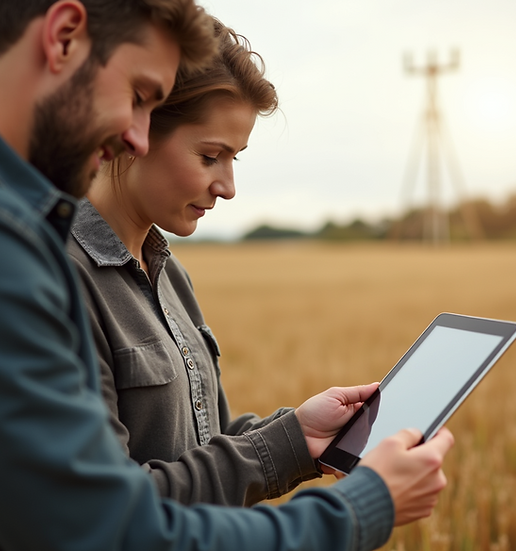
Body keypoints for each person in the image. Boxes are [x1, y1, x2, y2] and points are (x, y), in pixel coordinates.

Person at [0, 1, 453, 550]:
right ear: (63, 36)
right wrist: (358, 510)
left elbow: (169, 466)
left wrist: (294, 437)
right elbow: (111, 530)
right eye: (140, 95)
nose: (135, 139)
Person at [68, 18, 419, 507]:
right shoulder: (61, 279)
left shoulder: (170, 275)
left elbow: (204, 445)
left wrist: (300, 432)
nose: (228, 186)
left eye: (236, 158)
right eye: (211, 156)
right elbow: (112, 508)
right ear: (136, 128)